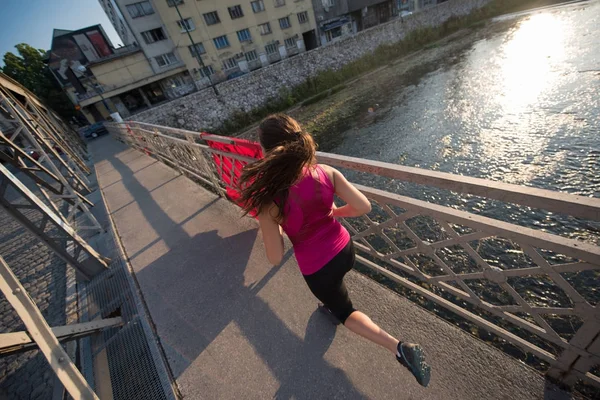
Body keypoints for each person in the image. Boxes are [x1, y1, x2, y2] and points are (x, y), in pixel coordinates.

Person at [238, 114, 431, 387]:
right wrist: (334, 211)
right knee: (336, 288)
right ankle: (332, 303)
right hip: (345, 250)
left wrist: (275, 226)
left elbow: (275, 257)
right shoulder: (324, 171)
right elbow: (363, 206)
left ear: (268, 152)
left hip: (318, 269)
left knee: (346, 313)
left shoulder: (270, 201)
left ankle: (399, 347)